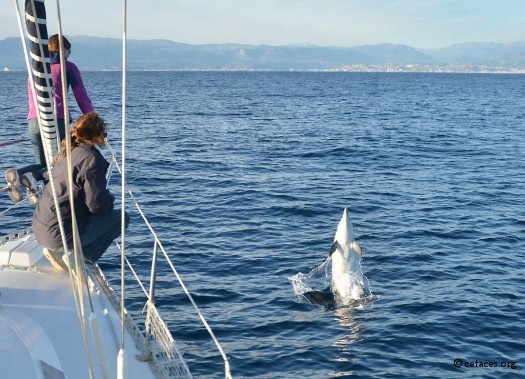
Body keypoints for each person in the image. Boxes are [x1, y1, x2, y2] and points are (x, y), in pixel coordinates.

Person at [32, 112, 129, 270]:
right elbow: (97, 206)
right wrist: (110, 199)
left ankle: (58, 254)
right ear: (96, 135)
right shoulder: (91, 160)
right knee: (122, 217)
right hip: (59, 236)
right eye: (104, 134)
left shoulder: (67, 152)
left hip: (41, 229)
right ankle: (82, 260)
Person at [5, 34, 94, 204]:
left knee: (43, 166)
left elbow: (31, 97)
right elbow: (81, 96)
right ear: (65, 50)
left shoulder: (35, 68)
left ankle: (18, 174)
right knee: (57, 165)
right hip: (55, 121)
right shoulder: (68, 67)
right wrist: (93, 122)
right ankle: (55, 204)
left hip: (33, 122)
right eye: (69, 50)